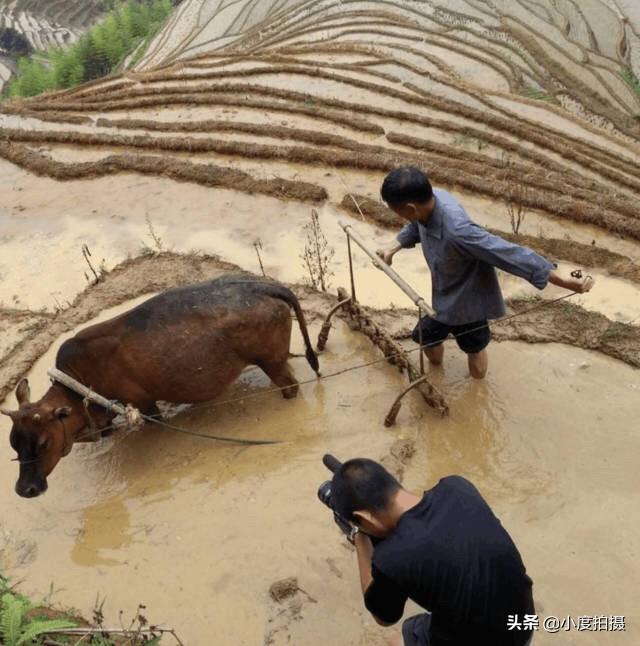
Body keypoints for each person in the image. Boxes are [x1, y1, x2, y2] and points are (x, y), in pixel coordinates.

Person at [376, 167, 594, 379]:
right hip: (442, 297)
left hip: (469, 304)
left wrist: (561, 279)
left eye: (397, 211)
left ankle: (479, 389)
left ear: (411, 208)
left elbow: (508, 253)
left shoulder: (459, 231)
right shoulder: (430, 201)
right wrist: (393, 245)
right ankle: (436, 374)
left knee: (474, 347)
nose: (400, 216)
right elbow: (417, 226)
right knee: (424, 337)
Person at [330, 458, 535, 646]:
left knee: (395, 641)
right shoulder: (457, 487)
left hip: (485, 640)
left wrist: (359, 538)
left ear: (364, 518)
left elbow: (383, 617)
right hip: (524, 622)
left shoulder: (392, 558)